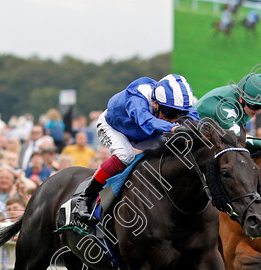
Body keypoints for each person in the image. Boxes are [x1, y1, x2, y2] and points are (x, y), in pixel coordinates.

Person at [72, 74, 198, 222]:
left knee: (172, 152)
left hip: (145, 135)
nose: (174, 119)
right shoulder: (139, 93)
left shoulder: (173, 103)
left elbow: (194, 119)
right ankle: (85, 197)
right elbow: (144, 120)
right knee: (125, 155)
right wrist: (174, 129)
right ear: (156, 103)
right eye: (170, 113)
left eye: (180, 114)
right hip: (116, 128)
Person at [195, 73, 261, 136]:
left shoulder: (243, 99)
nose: (258, 111)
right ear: (241, 99)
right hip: (192, 133)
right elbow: (237, 137)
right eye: (255, 106)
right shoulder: (225, 106)